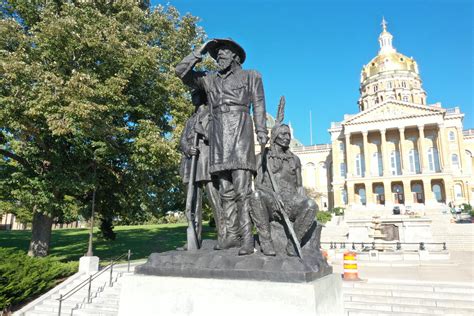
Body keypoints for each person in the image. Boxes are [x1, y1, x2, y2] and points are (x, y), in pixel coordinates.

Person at [176, 38, 268, 255]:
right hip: (218, 135)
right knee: (225, 190)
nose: (219, 56)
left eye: (223, 52)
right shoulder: (209, 79)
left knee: (242, 190)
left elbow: (260, 105)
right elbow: (181, 72)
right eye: (216, 53)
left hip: (240, 130)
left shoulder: (251, 75)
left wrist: (262, 131)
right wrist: (199, 51)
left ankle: (247, 239)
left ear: (235, 55)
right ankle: (230, 236)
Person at [250, 97, 317, 256]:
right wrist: (273, 194)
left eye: (288, 134)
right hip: (271, 199)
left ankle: (293, 244)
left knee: (311, 205)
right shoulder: (262, 158)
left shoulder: (295, 159)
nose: (287, 137)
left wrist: (301, 195)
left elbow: (299, 185)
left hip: (290, 200)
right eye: (283, 134)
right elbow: (257, 184)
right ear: (275, 137)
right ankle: (266, 241)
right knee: (256, 196)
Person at [179, 89, 224, 249]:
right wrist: (188, 148)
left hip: (205, 161)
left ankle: (223, 236)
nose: (192, 97)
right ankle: (194, 239)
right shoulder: (190, 119)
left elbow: (219, 138)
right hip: (191, 162)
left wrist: (203, 133)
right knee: (192, 203)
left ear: (203, 97)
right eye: (191, 95)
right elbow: (182, 139)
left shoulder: (211, 115)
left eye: (195, 94)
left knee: (214, 198)